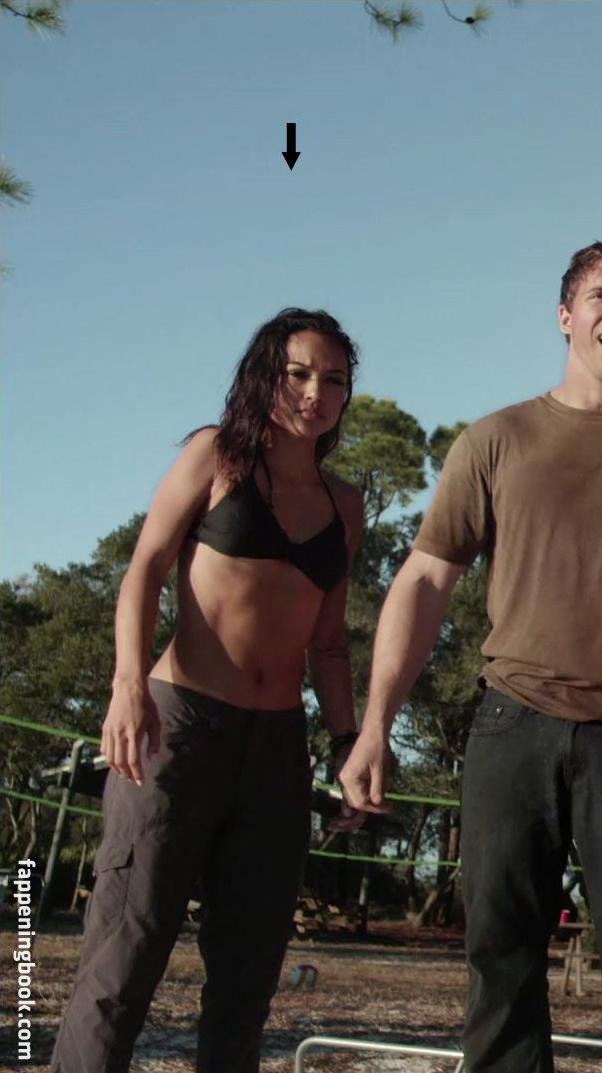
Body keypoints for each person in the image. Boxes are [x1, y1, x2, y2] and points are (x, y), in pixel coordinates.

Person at [337, 240, 602, 1073]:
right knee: (499, 962)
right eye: (599, 295)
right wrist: (375, 724)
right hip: (511, 728)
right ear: (564, 315)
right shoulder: (495, 439)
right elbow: (424, 580)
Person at [53, 309, 367, 1073]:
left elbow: (328, 641)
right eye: (299, 373)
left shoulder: (345, 505)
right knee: (125, 953)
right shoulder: (216, 456)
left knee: (247, 975)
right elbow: (144, 568)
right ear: (265, 376)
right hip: (177, 724)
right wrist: (127, 686)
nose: (315, 392)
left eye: (333, 380)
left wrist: (348, 742)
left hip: (277, 751)